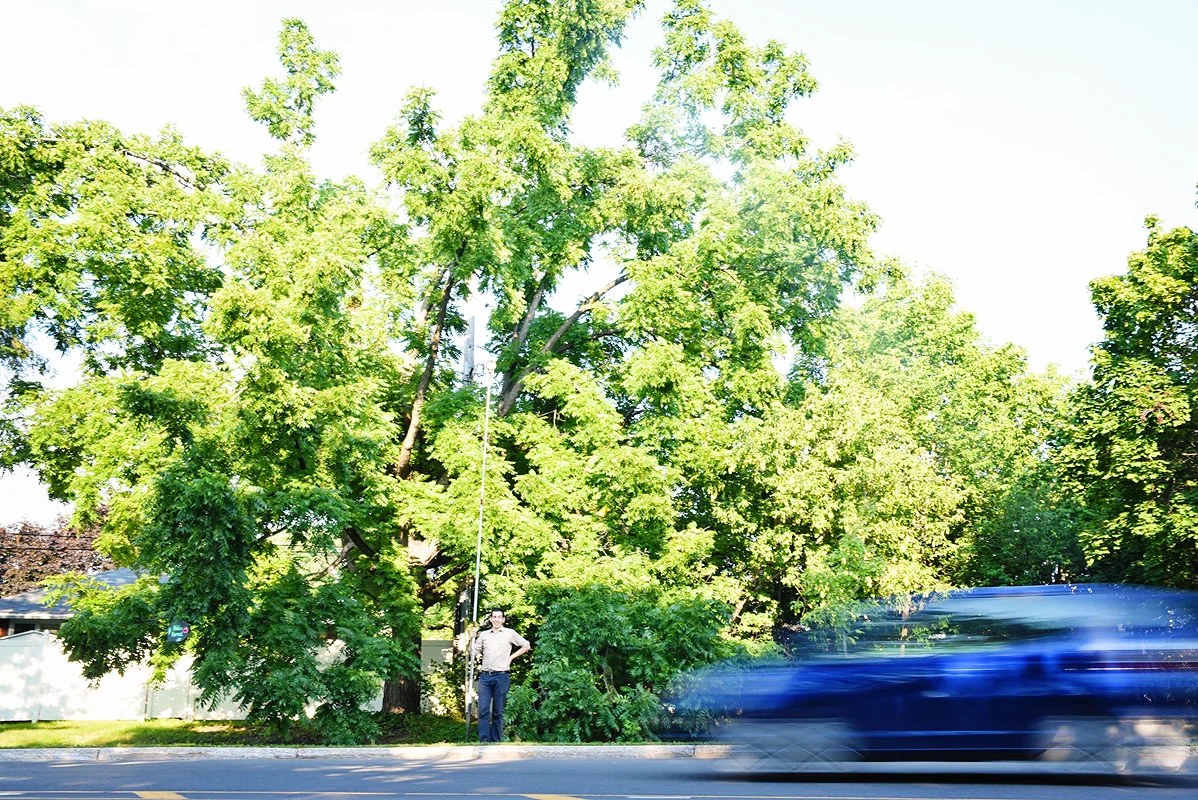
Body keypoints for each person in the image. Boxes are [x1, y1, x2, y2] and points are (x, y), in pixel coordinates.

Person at [471, 607, 529, 743]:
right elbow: (473, 651)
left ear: (503, 620)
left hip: (501, 676)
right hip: (485, 676)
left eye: (499, 617)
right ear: (490, 619)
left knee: (498, 711)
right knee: (484, 709)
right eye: (494, 617)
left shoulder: (509, 633)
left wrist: (511, 658)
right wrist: (472, 639)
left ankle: (496, 741)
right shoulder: (484, 635)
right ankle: (484, 741)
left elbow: (526, 645)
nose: (496, 619)